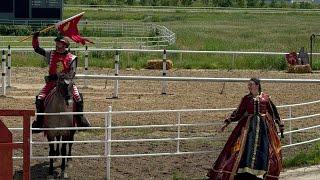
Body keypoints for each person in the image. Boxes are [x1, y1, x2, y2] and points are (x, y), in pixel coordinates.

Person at [207, 78, 284, 180]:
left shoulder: (265, 98)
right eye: (248, 85)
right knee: (244, 148)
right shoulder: (246, 99)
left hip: (263, 129)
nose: (249, 86)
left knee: (264, 149)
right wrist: (227, 122)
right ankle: (245, 171)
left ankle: (261, 170)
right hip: (248, 128)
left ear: (257, 85)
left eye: (251, 85)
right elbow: (238, 113)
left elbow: (274, 112)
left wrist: (279, 123)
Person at [31, 32, 91, 133]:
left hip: (67, 84)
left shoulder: (71, 58)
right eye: (57, 43)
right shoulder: (51, 54)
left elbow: (72, 74)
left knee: (78, 98)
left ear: (65, 45)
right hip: (51, 83)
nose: (57, 45)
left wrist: (60, 77)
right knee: (40, 98)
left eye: (59, 43)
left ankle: (80, 121)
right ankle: (39, 122)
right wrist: (35, 38)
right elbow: (37, 49)